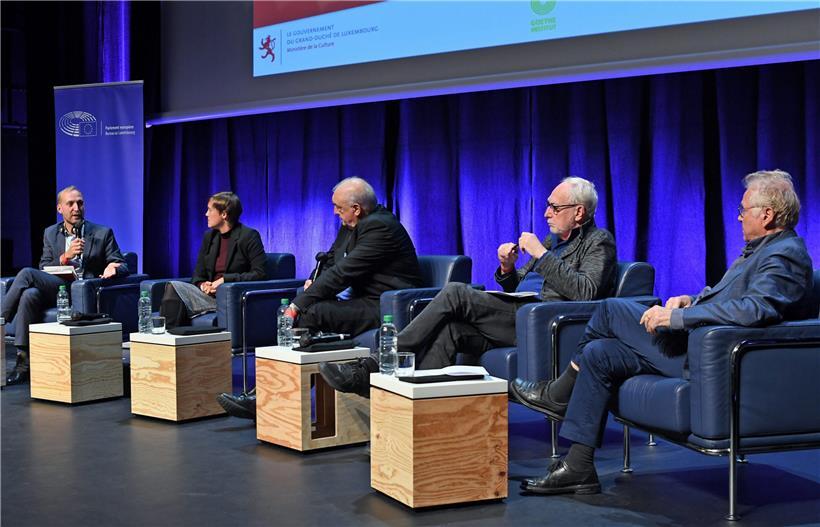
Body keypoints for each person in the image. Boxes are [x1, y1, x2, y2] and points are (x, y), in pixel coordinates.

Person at [511, 169, 814, 496]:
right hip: (697, 347)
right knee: (599, 354)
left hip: (707, 357)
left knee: (612, 308)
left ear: (767, 214)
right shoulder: (761, 249)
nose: (739, 217)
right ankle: (579, 466)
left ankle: (558, 395)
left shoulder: (786, 255)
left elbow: (755, 309)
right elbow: (732, 297)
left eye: (743, 210)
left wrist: (678, 317)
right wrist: (692, 299)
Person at [320, 176, 618, 397]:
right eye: (547, 206)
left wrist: (540, 254)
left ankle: (374, 364)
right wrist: (507, 268)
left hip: (545, 324)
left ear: (578, 212)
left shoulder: (598, 241)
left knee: (454, 292)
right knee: (451, 331)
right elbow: (519, 286)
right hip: (519, 315)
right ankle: (419, 412)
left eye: (554, 207)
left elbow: (585, 292)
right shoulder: (554, 241)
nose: (546, 213)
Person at [217, 176, 423, 418]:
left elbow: (344, 272)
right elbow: (331, 261)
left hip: (385, 305)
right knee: (307, 307)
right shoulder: (351, 226)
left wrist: (297, 304)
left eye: (339, 208)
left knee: (310, 312)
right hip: (360, 299)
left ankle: (271, 401)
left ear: (356, 209)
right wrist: (312, 284)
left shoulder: (381, 227)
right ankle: (269, 397)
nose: (335, 212)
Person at [2, 185, 129, 385]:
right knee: (30, 292)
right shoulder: (50, 233)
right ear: (60, 208)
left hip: (82, 291)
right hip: (56, 287)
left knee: (27, 282)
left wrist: (114, 267)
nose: (76, 208)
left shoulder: (102, 233)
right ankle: (23, 363)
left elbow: (122, 264)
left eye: (80, 203)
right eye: (70, 204)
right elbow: (44, 267)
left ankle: (2, 322)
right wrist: (65, 257)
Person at [159, 192, 267, 328]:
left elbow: (259, 273)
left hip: (229, 298)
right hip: (207, 296)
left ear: (224, 214)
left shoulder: (249, 236)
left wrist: (224, 281)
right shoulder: (209, 237)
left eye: (210, 210)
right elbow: (197, 275)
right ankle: (170, 340)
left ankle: (167, 338)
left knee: (174, 290)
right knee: (173, 286)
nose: (206, 214)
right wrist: (203, 285)